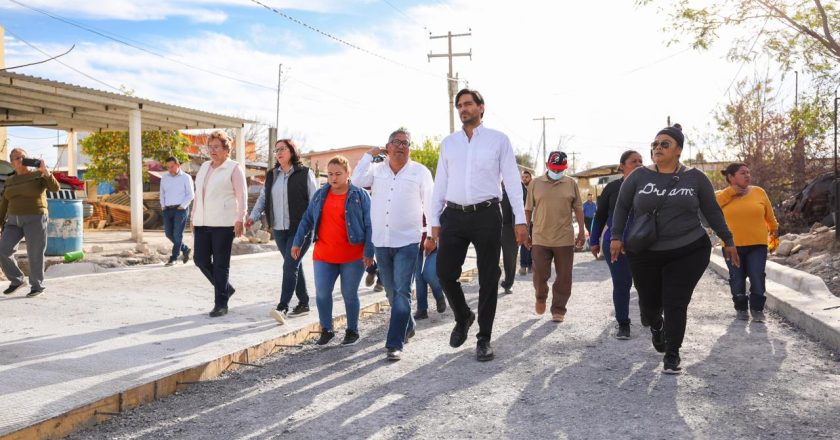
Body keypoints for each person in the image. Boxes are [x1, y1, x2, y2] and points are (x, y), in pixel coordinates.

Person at [610, 124, 739, 374]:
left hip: (688, 249)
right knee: (649, 305)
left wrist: (728, 241)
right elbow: (622, 207)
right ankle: (657, 327)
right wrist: (616, 236)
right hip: (645, 252)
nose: (658, 148)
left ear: (678, 150)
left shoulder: (696, 178)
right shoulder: (638, 176)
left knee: (675, 301)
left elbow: (712, 211)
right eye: (655, 145)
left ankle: (672, 353)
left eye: (664, 144)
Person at [430, 88, 528, 362]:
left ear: (481, 107)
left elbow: (511, 182)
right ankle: (463, 316)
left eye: (468, 104)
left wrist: (520, 220)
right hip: (454, 215)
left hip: (487, 214)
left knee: (488, 277)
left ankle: (484, 338)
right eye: (459, 105)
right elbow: (440, 183)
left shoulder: (498, 140)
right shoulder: (449, 143)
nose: (463, 109)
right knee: (445, 272)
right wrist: (434, 222)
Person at [351, 128, 434, 361]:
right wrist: (369, 155)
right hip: (381, 241)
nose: (400, 146)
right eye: (395, 142)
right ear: (387, 147)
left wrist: (433, 235)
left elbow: (430, 203)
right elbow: (356, 181)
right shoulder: (376, 171)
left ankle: (394, 343)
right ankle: (408, 325)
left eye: (405, 143)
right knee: (390, 291)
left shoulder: (420, 172)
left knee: (402, 290)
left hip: (408, 240)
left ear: (410, 148)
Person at [292, 155, 373, 346]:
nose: (333, 178)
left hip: (352, 255)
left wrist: (369, 252)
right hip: (324, 255)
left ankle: (352, 330)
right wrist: (297, 242)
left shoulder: (360, 195)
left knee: (349, 293)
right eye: (329, 174)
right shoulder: (320, 195)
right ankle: (326, 329)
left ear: (347, 173)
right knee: (322, 293)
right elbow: (307, 220)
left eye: (338, 174)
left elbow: (371, 225)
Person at [246, 139, 318, 324]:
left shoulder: (305, 173)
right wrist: (252, 216)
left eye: (282, 149)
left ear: (292, 151)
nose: (278, 153)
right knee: (293, 264)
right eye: (276, 150)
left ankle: (283, 307)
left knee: (289, 266)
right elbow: (263, 198)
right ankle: (303, 302)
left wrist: (316, 228)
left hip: (301, 228)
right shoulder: (272, 175)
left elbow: (315, 202)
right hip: (279, 228)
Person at [192, 130, 247, 317]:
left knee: (221, 265)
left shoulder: (233, 168)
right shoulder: (204, 167)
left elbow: (242, 195)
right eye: (210, 147)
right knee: (200, 260)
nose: (212, 150)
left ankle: (221, 304)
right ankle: (226, 288)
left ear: (226, 149)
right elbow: (198, 195)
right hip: (202, 222)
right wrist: (193, 217)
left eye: (217, 147)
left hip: (224, 223)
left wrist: (240, 218)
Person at [589, 150, 644, 339]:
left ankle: (651, 317)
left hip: (645, 245)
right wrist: (594, 240)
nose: (638, 164)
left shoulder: (650, 186)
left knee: (647, 284)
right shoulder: (612, 188)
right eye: (633, 161)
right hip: (615, 244)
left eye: (641, 161)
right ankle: (623, 324)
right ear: (622, 166)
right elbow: (600, 215)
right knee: (622, 284)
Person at [525, 151, 586, 323]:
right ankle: (540, 296)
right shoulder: (535, 183)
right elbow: (528, 209)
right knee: (539, 273)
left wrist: (581, 230)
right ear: (547, 165)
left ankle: (559, 309)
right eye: (554, 168)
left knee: (564, 276)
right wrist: (525, 230)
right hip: (540, 237)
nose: (557, 171)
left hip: (564, 238)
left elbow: (579, 208)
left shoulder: (571, 183)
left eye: (561, 169)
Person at [716, 163, 778, 323]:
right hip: (731, 247)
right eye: (743, 173)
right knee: (736, 278)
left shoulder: (759, 192)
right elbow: (713, 209)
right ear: (731, 177)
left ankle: (757, 309)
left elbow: (769, 215)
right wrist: (731, 192)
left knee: (757, 275)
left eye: (748, 172)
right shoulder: (721, 195)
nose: (747, 175)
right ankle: (741, 308)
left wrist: (774, 230)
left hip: (757, 244)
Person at [0, 148, 59, 297]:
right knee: (3, 250)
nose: (20, 160)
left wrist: (45, 171)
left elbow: (55, 188)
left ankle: (37, 286)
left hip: (35, 217)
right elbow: (4, 204)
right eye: (17, 158)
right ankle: (17, 280)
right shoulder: (10, 180)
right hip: (13, 220)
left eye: (23, 157)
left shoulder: (38, 175)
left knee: (35, 253)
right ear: (12, 163)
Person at [160, 156, 194, 266]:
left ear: (178, 165)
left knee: (177, 234)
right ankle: (185, 249)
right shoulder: (164, 178)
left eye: (172, 166)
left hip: (181, 209)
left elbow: (191, 194)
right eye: (168, 167)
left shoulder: (186, 177)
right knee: (168, 234)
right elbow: (162, 193)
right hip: (167, 209)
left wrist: (183, 206)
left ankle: (173, 257)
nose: (170, 169)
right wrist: (163, 206)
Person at [518, 170, 533, 275]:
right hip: (523, 220)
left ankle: (531, 265)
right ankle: (523, 266)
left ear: (530, 178)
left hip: (534, 220)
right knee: (524, 242)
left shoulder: (535, 188)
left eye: (526, 177)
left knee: (534, 243)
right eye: (523, 177)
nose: (524, 179)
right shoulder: (519, 189)